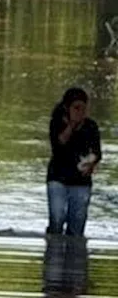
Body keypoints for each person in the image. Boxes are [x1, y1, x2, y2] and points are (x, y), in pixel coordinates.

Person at [47, 85, 101, 236]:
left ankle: (74, 256)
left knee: (77, 225)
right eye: (76, 108)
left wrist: (91, 163)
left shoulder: (91, 126)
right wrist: (71, 125)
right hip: (58, 177)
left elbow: (97, 152)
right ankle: (53, 249)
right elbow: (58, 145)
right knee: (57, 218)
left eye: (83, 109)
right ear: (67, 107)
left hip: (81, 180)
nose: (80, 112)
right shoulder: (57, 123)